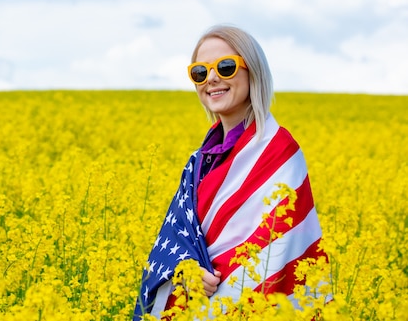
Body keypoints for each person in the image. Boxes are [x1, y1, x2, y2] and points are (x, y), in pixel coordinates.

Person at [133, 25, 328, 320]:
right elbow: (178, 240)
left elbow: (276, 251)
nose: (211, 78)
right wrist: (186, 272)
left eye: (225, 67)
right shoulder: (198, 162)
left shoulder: (279, 152)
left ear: (253, 72)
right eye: (200, 72)